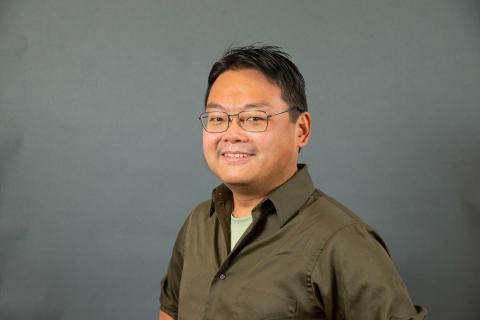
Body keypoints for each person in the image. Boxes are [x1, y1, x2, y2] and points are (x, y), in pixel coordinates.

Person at [158, 45, 427, 320]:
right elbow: (170, 312)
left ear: (301, 130)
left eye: (253, 118)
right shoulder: (200, 223)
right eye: (217, 118)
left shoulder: (343, 241)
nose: (231, 134)